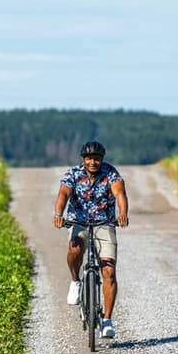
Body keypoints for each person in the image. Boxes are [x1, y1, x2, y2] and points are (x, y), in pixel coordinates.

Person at [53, 140, 129, 338]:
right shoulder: (73, 174)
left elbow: (119, 193)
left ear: (101, 159)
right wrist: (58, 213)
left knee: (109, 271)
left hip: (104, 224)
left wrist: (123, 213)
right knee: (75, 250)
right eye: (89, 158)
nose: (93, 162)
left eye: (96, 159)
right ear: (83, 159)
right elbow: (63, 193)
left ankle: (107, 320)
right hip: (79, 222)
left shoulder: (111, 173)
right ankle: (76, 281)